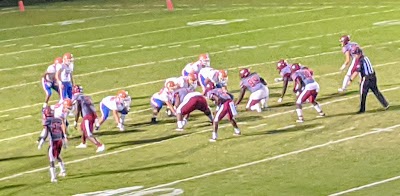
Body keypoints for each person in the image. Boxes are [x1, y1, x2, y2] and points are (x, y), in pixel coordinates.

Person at [348, 46, 389, 113]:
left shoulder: (360, 60)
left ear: (359, 53)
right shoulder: (366, 57)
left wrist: (350, 80)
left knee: (363, 94)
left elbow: (357, 71)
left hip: (366, 79)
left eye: (355, 54)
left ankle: (362, 109)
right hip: (373, 76)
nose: (355, 56)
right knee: (376, 91)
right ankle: (385, 104)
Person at [38, 101, 69, 183]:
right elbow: (61, 131)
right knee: (57, 155)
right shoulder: (58, 120)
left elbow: (46, 133)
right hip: (60, 141)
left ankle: (53, 177)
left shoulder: (47, 121)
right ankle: (63, 170)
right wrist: (64, 140)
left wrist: (41, 142)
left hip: (53, 142)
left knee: (51, 159)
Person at [72, 85, 105, 152]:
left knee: (88, 134)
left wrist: (75, 121)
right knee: (82, 127)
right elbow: (92, 108)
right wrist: (96, 119)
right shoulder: (87, 96)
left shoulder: (77, 98)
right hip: (92, 115)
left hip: (88, 117)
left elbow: (78, 110)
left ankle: (100, 145)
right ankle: (83, 143)